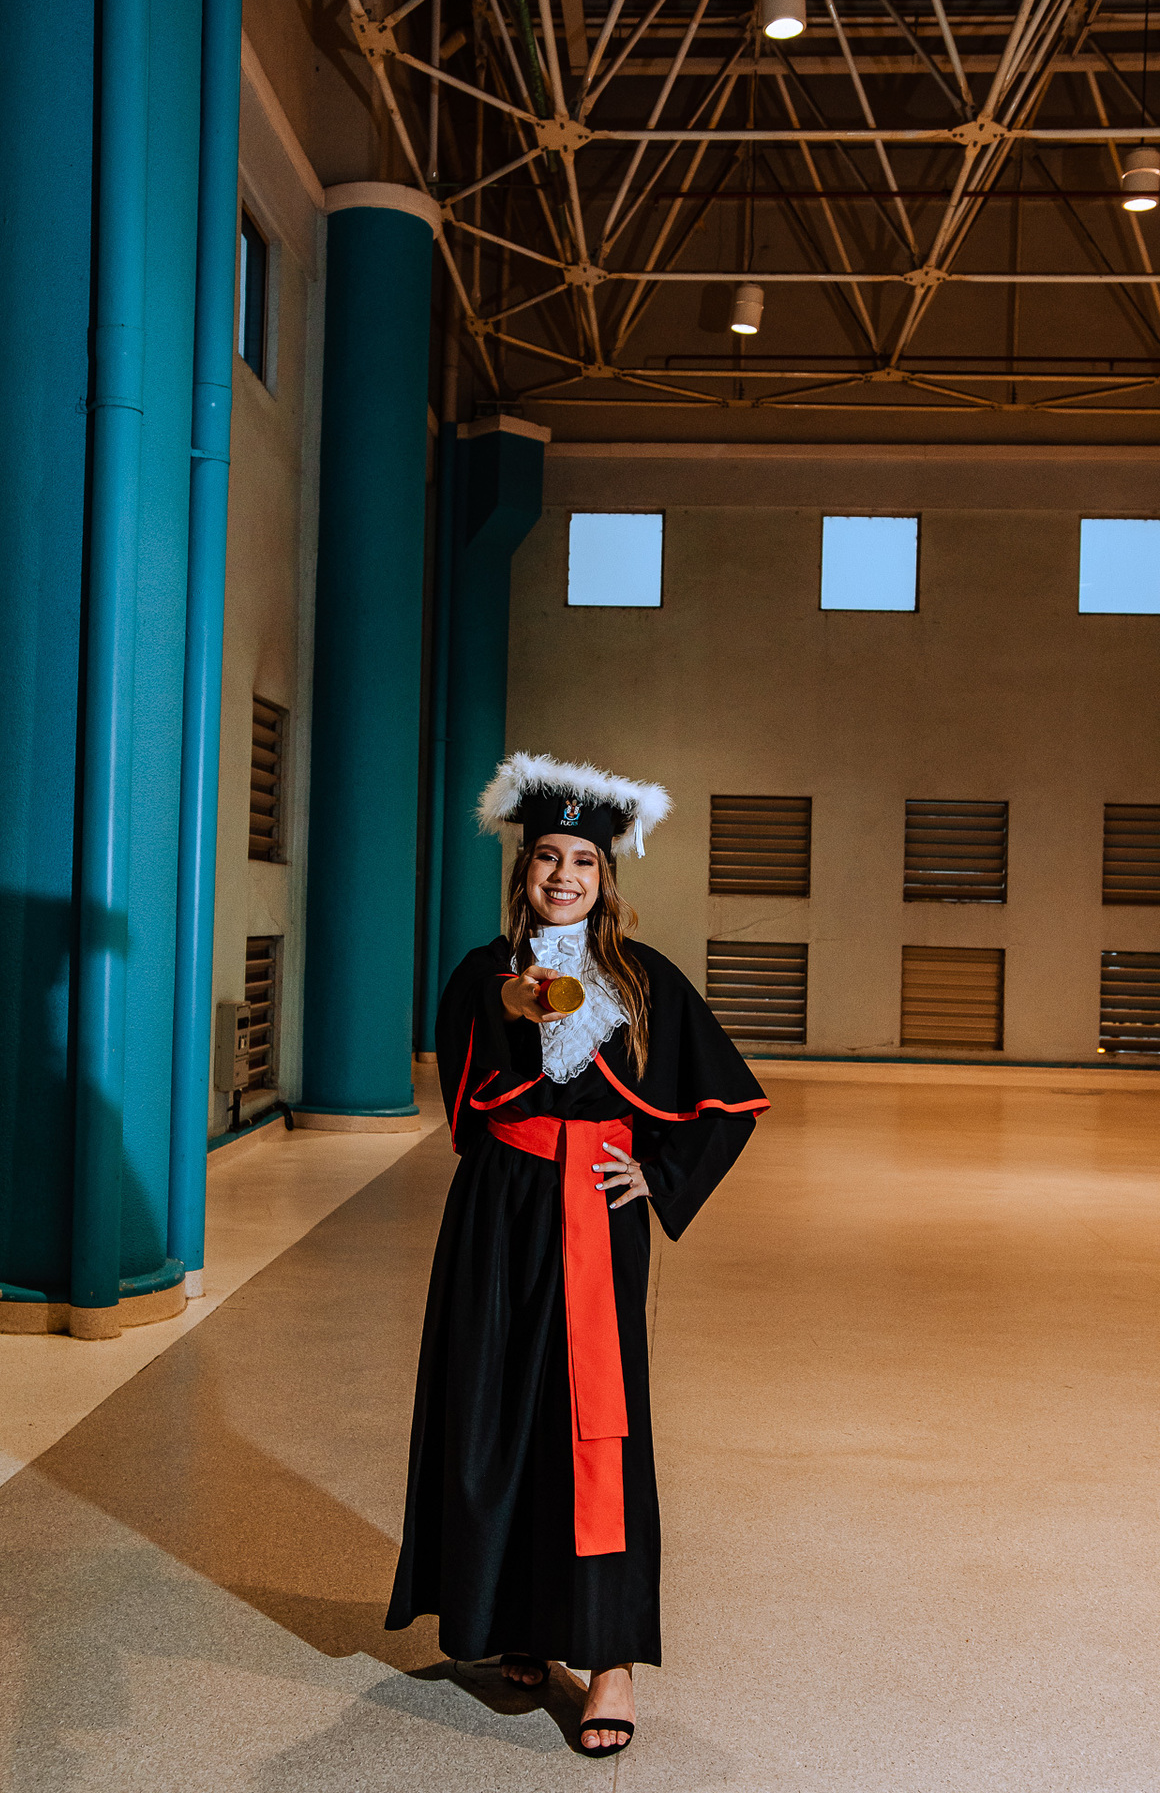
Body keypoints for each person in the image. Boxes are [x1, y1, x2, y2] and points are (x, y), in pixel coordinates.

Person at [386, 752, 770, 1756]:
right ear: (524, 871)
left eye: (584, 862)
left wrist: (660, 1175)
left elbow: (729, 1101)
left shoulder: (642, 981)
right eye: (548, 857)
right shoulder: (486, 973)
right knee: (498, 1410)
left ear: (607, 877)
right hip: (497, 1214)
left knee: (595, 1427)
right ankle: (519, 1620)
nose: (564, 875)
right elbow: (479, 1072)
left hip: (595, 1217)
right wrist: (522, 1004)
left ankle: (610, 1661)